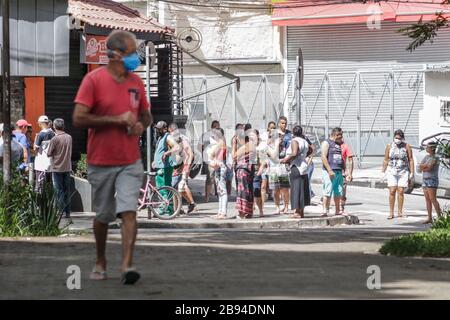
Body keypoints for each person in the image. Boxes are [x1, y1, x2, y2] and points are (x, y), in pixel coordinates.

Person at [73, 30, 152, 285]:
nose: (136, 58)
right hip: (101, 160)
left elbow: (146, 115)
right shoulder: (93, 81)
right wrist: (115, 119)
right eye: (132, 52)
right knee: (103, 215)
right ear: (116, 55)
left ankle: (127, 264)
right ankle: (100, 260)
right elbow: (78, 118)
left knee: (129, 211)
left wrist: (141, 124)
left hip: (130, 160)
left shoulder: (136, 83)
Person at [382, 129, 414, 220]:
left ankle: (400, 212)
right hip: (391, 170)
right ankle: (391, 212)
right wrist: (382, 172)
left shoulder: (406, 146)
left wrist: (411, 172)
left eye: (399, 138)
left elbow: (410, 159)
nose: (397, 139)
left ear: (402, 138)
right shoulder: (389, 146)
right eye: (396, 138)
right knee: (392, 190)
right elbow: (385, 159)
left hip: (403, 171)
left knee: (400, 191)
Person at [281, 125, 311, 218]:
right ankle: (301, 211)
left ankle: (297, 212)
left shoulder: (294, 141)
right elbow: (311, 150)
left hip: (296, 166)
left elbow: (294, 153)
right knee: (302, 189)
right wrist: (303, 156)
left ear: (293, 133)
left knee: (296, 189)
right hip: (304, 166)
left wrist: (286, 160)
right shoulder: (305, 141)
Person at [168, 123, 197, 214]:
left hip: (183, 167)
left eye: (170, 132)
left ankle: (178, 209)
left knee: (176, 188)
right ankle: (185, 206)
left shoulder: (182, 139)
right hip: (179, 167)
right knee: (180, 188)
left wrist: (187, 166)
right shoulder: (176, 139)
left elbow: (190, 153)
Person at [153, 120, 181, 216]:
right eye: (157, 129)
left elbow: (177, 147)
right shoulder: (161, 138)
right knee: (162, 188)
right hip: (160, 166)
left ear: (164, 129)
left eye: (159, 129)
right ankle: (166, 208)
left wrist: (167, 153)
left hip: (165, 167)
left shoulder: (167, 137)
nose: (157, 130)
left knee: (164, 188)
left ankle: (167, 209)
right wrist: (155, 161)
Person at [47, 119, 73, 219]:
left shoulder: (55, 139)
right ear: (63, 126)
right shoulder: (69, 137)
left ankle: (60, 212)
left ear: (54, 127)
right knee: (67, 190)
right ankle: (67, 212)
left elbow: (49, 153)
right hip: (67, 167)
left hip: (57, 168)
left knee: (59, 191)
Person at [269, 116, 291, 214]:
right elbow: (268, 145)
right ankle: (277, 207)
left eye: (285, 123)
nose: (284, 125)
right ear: (278, 124)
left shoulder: (289, 134)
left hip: (284, 163)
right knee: (275, 188)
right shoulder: (273, 133)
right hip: (274, 163)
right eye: (282, 123)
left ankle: (286, 206)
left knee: (285, 187)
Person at [234, 128, 258, 219]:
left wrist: (234, 145)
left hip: (242, 170)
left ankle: (242, 212)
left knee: (242, 191)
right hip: (249, 170)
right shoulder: (252, 146)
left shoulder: (245, 147)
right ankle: (249, 212)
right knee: (249, 190)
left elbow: (234, 156)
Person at [321, 127, 345, 217]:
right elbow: (323, 157)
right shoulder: (326, 143)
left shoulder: (338, 144)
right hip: (329, 171)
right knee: (328, 191)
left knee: (338, 191)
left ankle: (337, 210)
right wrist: (329, 170)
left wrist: (344, 170)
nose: (341, 138)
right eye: (340, 136)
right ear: (335, 135)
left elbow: (341, 158)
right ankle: (325, 210)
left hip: (338, 171)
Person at [418, 142, 442, 224]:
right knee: (427, 199)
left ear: (432, 148)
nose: (426, 148)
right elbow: (420, 166)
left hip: (431, 180)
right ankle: (429, 218)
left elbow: (429, 168)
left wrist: (423, 167)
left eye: (428, 147)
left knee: (433, 199)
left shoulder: (435, 158)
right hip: (425, 179)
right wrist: (424, 166)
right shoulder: (426, 157)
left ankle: (440, 217)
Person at [208, 128, 229, 219]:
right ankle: (220, 211)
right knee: (220, 191)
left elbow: (213, 154)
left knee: (222, 191)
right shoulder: (219, 143)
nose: (213, 136)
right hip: (219, 167)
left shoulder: (221, 143)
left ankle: (223, 212)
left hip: (221, 167)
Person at [198, 120, 220, 202]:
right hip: (209, 160)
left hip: (218, 159)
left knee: (218, 177)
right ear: (212, 127)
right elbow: (199, 147)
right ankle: (207, 197)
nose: (216, 128)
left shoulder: (220, 136)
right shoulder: (206, 136)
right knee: (210, 178)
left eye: (218, 126)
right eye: (215, 126)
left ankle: (218, 195)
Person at [34, 115, 55, 192]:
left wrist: (36, 138)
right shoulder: (53, 133)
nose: (38, 125)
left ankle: (40, 202)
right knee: (49, 185)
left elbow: (35, 149)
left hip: (41, 163)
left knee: (40, 186)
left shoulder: (40, 134)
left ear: (42, 123)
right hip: (50, 162)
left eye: (39, 123)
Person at [340, 140, 354, 213]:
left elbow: (350, 160)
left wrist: (350, 173)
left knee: (343, 190)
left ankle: (341, 207)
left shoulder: (345, 146)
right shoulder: (330, 145)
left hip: (342, 172)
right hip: (332, 171)